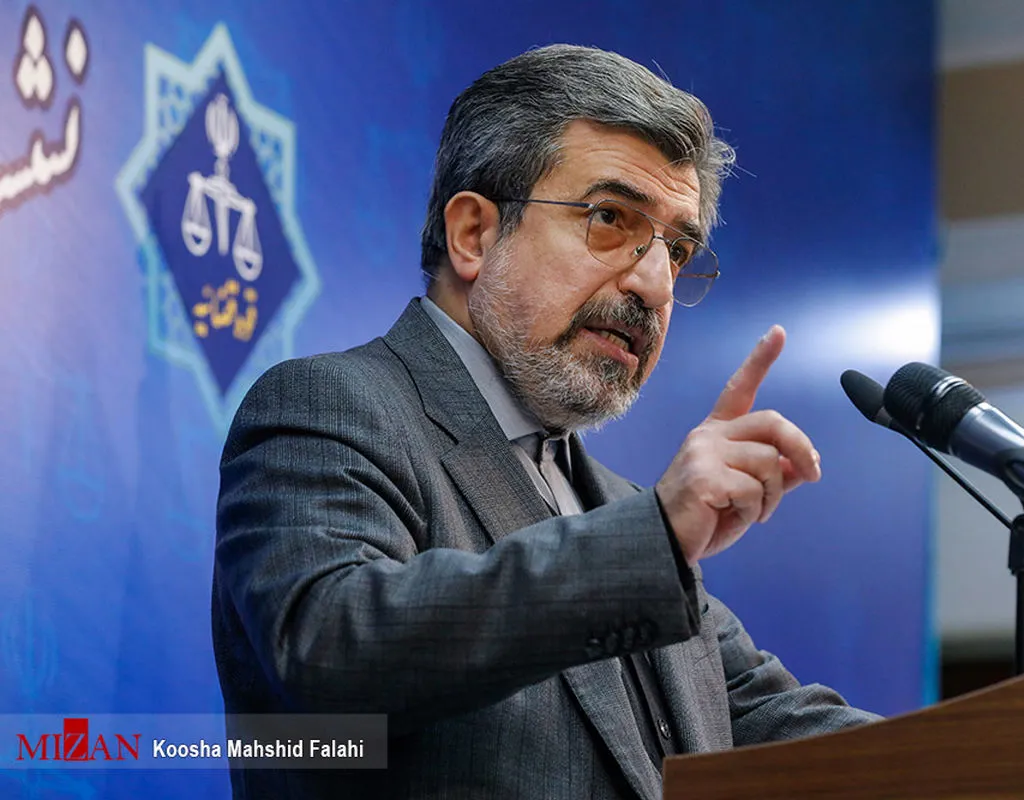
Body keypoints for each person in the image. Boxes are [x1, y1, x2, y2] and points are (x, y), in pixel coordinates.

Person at [212, 43, 879, 800]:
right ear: (474, 233)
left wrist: (995, 751)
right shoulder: (328, 407)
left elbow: (793, 732)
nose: (656, 285)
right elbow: (329, 652)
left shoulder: (622, 510)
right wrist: (653, 539)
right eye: (610, 218)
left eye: (677, 249)